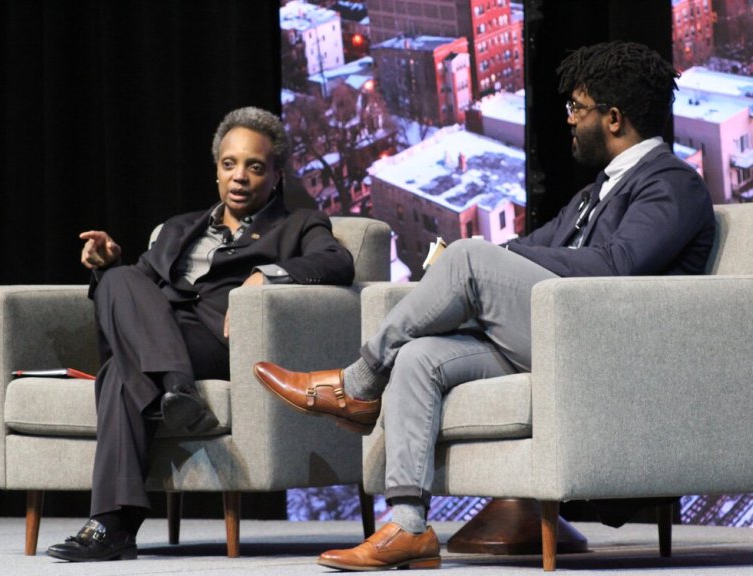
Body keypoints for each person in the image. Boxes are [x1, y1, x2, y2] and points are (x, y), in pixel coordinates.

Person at [253, 41, 716, 571]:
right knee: (420, 355)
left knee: (472, 257)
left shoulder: (673, 185)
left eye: (577, 109)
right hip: (557, 336)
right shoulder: (598, 191)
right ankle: (408, 527)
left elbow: (617, 267)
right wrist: (474, 269)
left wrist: (479, 266)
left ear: (613, 118)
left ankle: (356, 384)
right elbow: (528, 246)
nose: (569, 120)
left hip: (607, 350)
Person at [47, 107, 355, 562]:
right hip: (163, 338)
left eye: (255, 167)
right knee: (117, 294)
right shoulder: (177, 229)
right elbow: (137, 289)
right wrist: (109, 262)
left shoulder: (300, 225)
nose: (240, 177)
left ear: (275, 175)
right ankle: (170, 404)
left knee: (122, 367)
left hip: (217, 338)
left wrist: (268, 274)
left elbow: (337, 262)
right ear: (216, 171)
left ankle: (113, 521)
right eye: (229, 164)